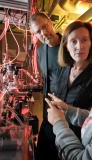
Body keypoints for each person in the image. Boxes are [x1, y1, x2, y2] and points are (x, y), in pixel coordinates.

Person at [45, 2, 92, 160]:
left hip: (73, 144)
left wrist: (59, 121)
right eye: (73, 41)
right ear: (65, 46)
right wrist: (66, 109)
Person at [52, 21, 92, 139]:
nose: (80, 46)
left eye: (84, 40)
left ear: (91, 44)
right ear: (66, 46)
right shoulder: (61, 70)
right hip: (52, 134)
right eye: (73, 41)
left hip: (76, 142)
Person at [30, 12, 61, 160]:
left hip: (66, 114)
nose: (43, 33)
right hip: (47, 113)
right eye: (38, 31)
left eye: (45, 26)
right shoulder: (41, 51)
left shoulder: (69, 46)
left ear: (51, 22)